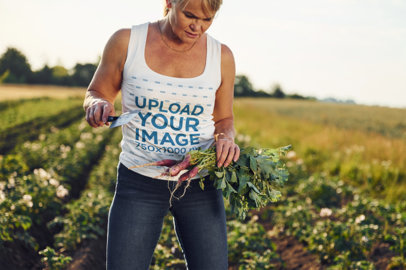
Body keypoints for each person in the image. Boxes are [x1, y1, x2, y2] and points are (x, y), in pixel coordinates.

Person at [83, 0, 239, 269]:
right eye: (190, 15)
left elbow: (224, 119)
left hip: (199, 185)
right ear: (169, 3)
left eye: (207, 19)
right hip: (139, 184)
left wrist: (225, 138)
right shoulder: (126, 42)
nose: (197, 26)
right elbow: (96, 92)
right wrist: (97, 104)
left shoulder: (221, 56)